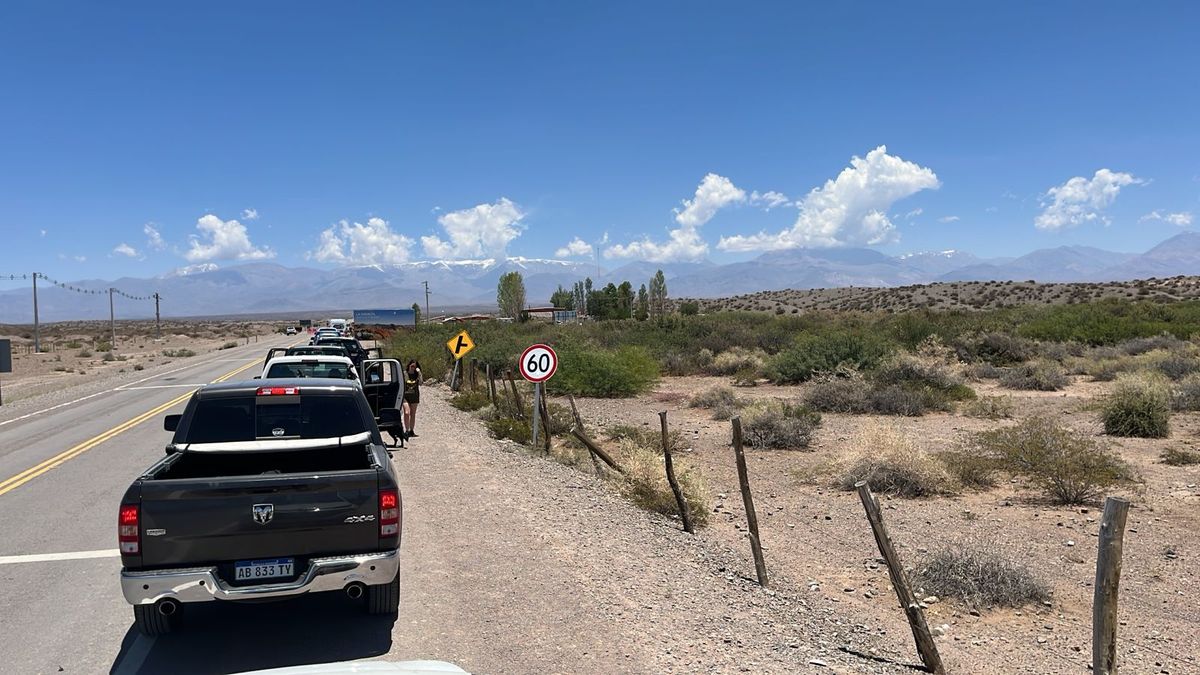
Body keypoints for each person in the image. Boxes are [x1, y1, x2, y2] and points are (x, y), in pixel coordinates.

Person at [402, 360, 421, 438]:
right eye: (412, 366)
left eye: (415, 367)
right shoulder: (405, 374)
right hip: (405, 396)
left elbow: (421, 383)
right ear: (409, 366)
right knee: (407, 412)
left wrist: (419, 373)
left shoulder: (417, 375)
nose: (413, 368)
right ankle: (406, 430)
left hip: (414, 396)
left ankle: (411, 430)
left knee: (413, 414)